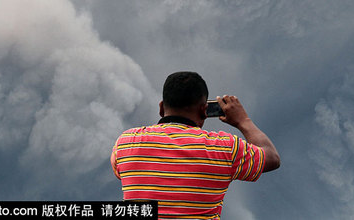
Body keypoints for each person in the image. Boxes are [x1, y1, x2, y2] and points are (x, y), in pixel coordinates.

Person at [111, 71, 280, 219]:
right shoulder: (226, 148)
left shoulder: (126, 142)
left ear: (162, 108)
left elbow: (122, 173)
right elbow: (271, 157)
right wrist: (243, 121)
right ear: (204, 111)